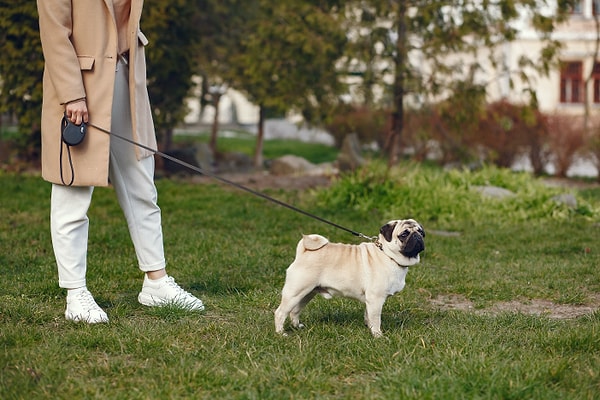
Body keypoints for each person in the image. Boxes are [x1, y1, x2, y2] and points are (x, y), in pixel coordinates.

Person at [37, 0, 204, 323]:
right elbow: (54, 33)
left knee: (142, 185)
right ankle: (76, 293)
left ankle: (156, 282)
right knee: (73, 189)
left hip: (127, 78)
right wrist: (72, 94)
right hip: (80, 87)